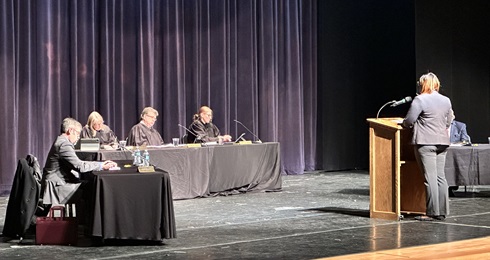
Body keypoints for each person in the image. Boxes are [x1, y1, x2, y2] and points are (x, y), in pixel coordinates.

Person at [402, 72, 452, 221]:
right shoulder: (446, 100)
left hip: (426, 143)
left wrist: (405, 124)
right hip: (442, 142)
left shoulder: (420, 100)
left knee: (429, 178)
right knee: (440, 177)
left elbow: (409, 121)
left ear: (423, 84)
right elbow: (448, 122)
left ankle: (431, 212)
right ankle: (442, 212)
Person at [41, 118, 117, 205]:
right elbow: (80, 166)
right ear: (70, 131)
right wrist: (101, 166)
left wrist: (99, 164)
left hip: (59, 182)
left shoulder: (61, 140)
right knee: (95, 188)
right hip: (56, 186)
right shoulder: (64, 144)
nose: (78, 137)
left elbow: (78, 164)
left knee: (91, 184)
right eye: (77, 134)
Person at [448, 109, 471, 196]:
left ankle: (452, 186)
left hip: (455, 155)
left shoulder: (460, 126)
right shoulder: (438, 126)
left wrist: (455, 144)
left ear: (453, 117)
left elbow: (465, 140)